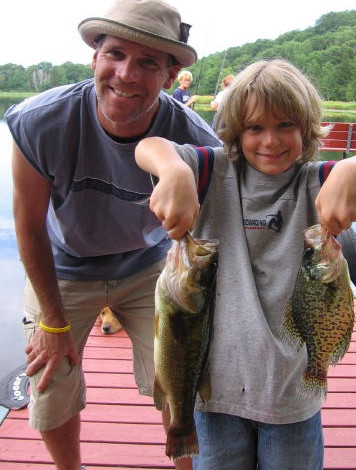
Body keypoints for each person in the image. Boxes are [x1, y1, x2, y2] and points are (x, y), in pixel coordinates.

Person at [135, 58, 356, 469]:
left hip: (291, 392)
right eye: (254, 128)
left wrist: (355, 167)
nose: (270, 141)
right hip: (213, 390)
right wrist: (172, 169)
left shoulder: (317, 182)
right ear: (235, 131)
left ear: (306, 128)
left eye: (285, 126)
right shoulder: (207, 171)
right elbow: (148, 147)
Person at [5, 0, 220, 469]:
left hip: (150, 269)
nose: (126, 74)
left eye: (147, 62)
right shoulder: (38, 121)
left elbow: (232, 219)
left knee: (181, 377)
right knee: (50, 380)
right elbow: (28, 226)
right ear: (94, 57)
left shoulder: (197, 137)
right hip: (63, 267)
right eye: (116, 54)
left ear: (168, 77)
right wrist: (54, 324)